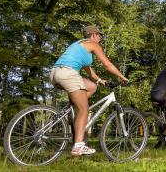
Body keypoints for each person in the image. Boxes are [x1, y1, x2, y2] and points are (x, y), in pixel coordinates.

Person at [50, 25, 129, 156]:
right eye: (100, 35)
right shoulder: (92, 44)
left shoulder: (79, 45)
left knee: (92, 86)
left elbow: (90, 72)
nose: (101, 38)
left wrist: (99, 80)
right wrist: (121, 76)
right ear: (93, 35)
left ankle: (74, 109)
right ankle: (78, 146)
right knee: (84, 109)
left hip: (56, 73)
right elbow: (107, 64)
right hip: (68, 73)